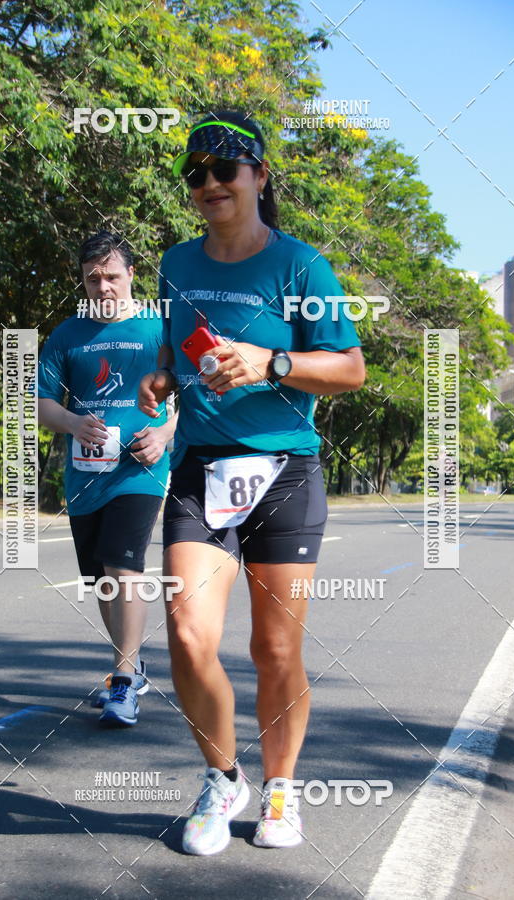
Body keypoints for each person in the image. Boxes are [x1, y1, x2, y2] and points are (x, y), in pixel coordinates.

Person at [139, 111, 366, 854]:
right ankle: (222, 776)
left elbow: (349, 370)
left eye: (224, 168)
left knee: (275, 651)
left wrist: (270, 362)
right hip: (201, 468)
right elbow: (177, 354)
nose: (209, 183)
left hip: (283, 471)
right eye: (195, 173)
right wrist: (162, 379)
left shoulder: (301, 267)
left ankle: (280, 792)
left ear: (259, 176)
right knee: (186, 632)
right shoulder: (177, 263)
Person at [38, 230, 176, 727]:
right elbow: (43, 404)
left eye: (112, 276)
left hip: (141, 469)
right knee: (100, 577)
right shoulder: (66, 335)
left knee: (124, 566)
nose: (103, 287)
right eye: (93, 278)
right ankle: (133, 662)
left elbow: (187, 393)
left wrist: (164, 433)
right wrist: (74, 422)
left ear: (131, 275)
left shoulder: (158, 328)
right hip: (85, 476)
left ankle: (121, 682)